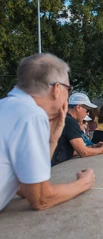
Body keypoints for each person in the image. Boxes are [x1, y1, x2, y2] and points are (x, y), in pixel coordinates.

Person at [0, 53, 95, 211]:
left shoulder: (7, 106)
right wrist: (84, 183)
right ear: (57, 88)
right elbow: (41, 199)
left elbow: (28, 185)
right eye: (68, 89)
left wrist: (52, 139)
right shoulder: (32, 115)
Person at [51, 93, 103, 166]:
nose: (87, 114)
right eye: (87, 110)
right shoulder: (71, 121)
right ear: (78, 107)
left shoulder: (63, 118)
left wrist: (94, 146)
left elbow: (73, 151)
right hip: (56, 167)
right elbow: (83, 152)